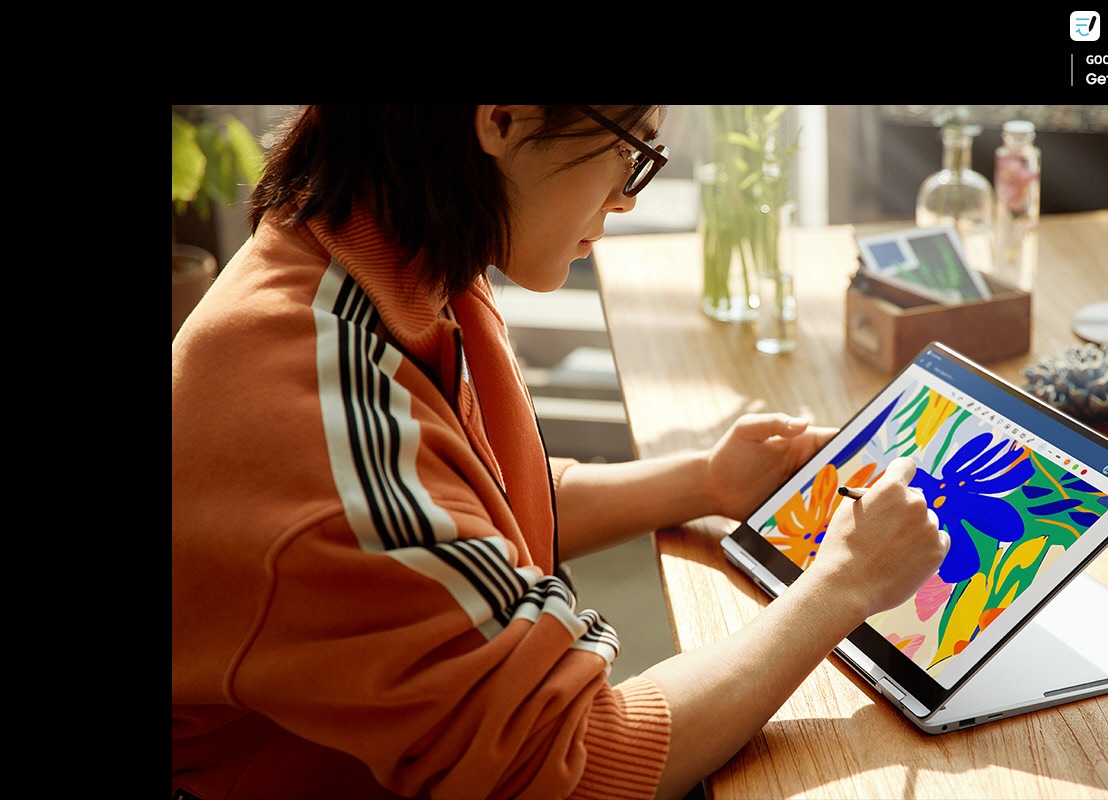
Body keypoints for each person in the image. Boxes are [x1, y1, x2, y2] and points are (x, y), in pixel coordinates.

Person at [171, 105, 948, 800]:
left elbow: (464, 512)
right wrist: (840, 587)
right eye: (630, 149)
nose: (628, 197)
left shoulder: (395, 262)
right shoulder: (324, 418)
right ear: (501, 118)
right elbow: (573, 762)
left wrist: (706, 481)